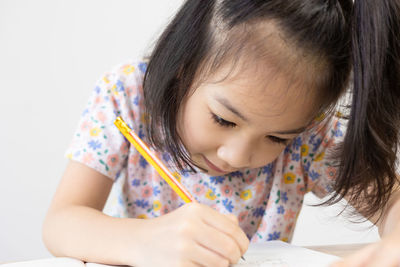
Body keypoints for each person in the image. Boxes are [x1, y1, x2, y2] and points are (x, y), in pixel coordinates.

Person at [42, 1, 400, 266]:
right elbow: (61, 223)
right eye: (224, 120)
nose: (236, 156)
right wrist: (145, 242)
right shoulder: (128, 96)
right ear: (182, 67)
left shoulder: (311, 135)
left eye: (277, 138)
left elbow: (393, 206)